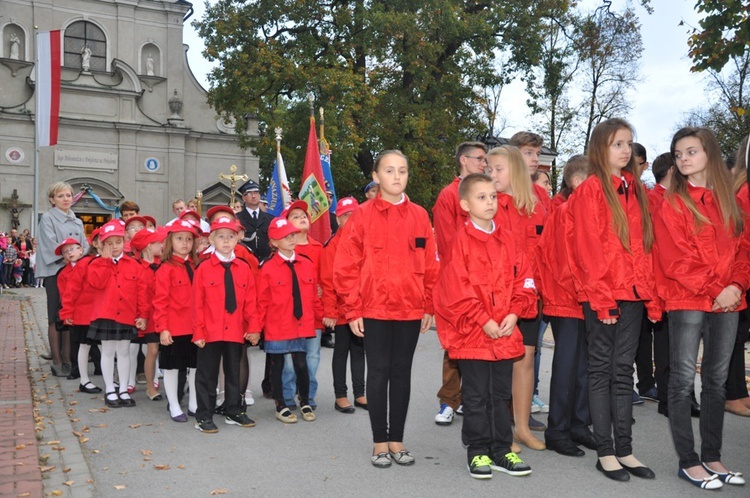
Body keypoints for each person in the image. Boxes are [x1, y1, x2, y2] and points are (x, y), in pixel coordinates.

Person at [653, 127, 748, 490]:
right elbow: (675, 260)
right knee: (680, 382)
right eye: (678, 154)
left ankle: (712, 457)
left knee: (717, 381)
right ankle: (688, 462)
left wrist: (736, 286)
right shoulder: (673, 203)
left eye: (690, 152)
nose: (683, 159)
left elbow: (744, 250)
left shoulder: (732, 202)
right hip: (688, 297)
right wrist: (716, 289)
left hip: (729, 299)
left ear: (709, 152)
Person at [565, 118, 659, 482]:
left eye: (629, 143)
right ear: (601, 148)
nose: (625, 150)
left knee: (623, 373)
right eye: (618, 143)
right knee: (601, 372)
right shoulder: (591, 189)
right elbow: (587, 248)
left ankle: (626, 449)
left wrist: (650, 296)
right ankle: (605, 451)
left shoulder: (635, 188)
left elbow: (644, 248)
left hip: (633, 294)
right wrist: (602, 299)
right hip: (603, 295)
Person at [334, 150, 439, 468]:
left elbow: (431, 263)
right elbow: (345, 266)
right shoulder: (362, 217)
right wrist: (353, 309)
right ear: (376, 177)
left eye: (403, 170)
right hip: (374, 309)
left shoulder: (420, 215)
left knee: (401, 373)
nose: (397, 176)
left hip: (409, 308)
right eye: (390, 170)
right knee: (378, 374)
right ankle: (380, 443)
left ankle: (398, 440)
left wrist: (428, 304)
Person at [435, 173, 536, 479]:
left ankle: (501, 448)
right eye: (481, 197)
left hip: (504, 332)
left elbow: (526, 280)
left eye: (492, 196)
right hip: (472, 335)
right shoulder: (459, 243)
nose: (490, 202)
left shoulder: (509, 239)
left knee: (500, 394)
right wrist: (483, 320)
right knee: (476, 396)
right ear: (465, 204)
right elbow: (455, 290)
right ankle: (477, 451)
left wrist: (515, 313)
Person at [487, 145, 547, 449]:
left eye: (499, 169)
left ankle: (521, 427)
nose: (492, 174)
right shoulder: (488, 204)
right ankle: (498, 430)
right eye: (489, 169)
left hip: (528, 297)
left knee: (524, 360)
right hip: (496, 298)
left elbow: (544, 253)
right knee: (498, 364)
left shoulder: (536, 206)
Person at [536, 155, 597, 457]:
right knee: (566, 367)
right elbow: (564, 263)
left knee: (586, 367)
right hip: (567, 299)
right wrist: (586, 290)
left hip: (588, 299)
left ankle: (579, 424)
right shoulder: (563, 214)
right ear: (577, 183)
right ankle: (557, 429)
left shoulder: (589, 213)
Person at [431, 141, 488, 426]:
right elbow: (446, 241)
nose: (484, 163)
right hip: (459, 280)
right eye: (479, 159)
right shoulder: (448, 195)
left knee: (481, 343)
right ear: (463, 160)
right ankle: (449, 400)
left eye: (485, 159)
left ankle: (470, 398)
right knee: (456, 343)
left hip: (487, 282)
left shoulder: (488, 193)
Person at [192, 215, 260, 433]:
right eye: (220, 236)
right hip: (210, 330)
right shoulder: (203, 268)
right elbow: (197, 303)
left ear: (237, 239)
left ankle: (234, 410)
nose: (226, 241)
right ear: (211, 239)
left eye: (230, 236)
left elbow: (251, 301)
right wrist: (198, 331)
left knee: (233, 371)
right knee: (207, 374)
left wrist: (254, 328)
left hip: (236, 329)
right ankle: (204, 415)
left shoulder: (243, 268)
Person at [258, 217, 323, 423]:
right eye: (284, 236)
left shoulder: (306, 264)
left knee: (301, 365)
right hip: (277, 325)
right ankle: (281, 405)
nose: (290, 238)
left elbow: (313, 296)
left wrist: (321, 317)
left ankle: (304, 400)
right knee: (277, 366)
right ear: (274, 242)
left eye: (292, 234)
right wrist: (255, 328)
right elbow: (261, 301)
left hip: (301, 324)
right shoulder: (267, 268)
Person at [86, 221, 148, 408]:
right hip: (106, 314)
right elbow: (97, 283)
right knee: (108, 351)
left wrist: (143, 314)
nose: (114, 247)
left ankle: (123, 388)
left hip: (127, 315)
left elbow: (141, 291)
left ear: (124, 242)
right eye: (109, 243)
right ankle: (110, 389)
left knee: (124, 352)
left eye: (118, 242)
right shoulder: (96, 264)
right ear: (102, 244)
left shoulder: (133, 264)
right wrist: (105, 262)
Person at [37, 182, 89, 375]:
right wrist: (69, 256)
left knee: (69, 314)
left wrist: (82, 257)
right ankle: (57, 361)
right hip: (55, 270)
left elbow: (83, 243)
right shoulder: (48, 219)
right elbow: (50, 244)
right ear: (52, 199)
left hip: (74, 271)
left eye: (68, 195)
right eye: (61, 196)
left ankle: (68, 358)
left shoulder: (77, 220)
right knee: (54, 315)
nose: (66, 199)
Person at [321, 197, 367, 413]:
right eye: (346, 215)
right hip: (341, 310)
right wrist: (329, 311)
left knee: (359, 351)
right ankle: (340, 395)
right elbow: (328, 282)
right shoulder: (332, 245)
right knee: (341, 352)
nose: (351, 219)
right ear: (338, 219)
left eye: (354, 215)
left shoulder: (365, 241)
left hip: (362, 308)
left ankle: (360, 393)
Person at [277, 201, 324, 409]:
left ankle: (308, 395)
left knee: (312, 356)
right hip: (288, 315)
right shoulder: (282, 250)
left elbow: (326, 279)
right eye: (295, 216)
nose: (302, 217)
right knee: (288, 360)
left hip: (312, 312)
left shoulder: (318, 248)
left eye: (303, 215)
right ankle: (287, 396)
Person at [154, 220, 200, 423]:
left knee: (195, 366)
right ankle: (173, 404)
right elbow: (160, 301)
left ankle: (193, 404)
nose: (185, 243)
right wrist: (163, 329)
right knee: (172, 368)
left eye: (189, 239)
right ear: (170, 241)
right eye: (180, 238)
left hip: (195, 326)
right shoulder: (166, 268)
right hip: (174, 327)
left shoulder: (196, 266)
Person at [60, 230, 102, 393]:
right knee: (83, 345)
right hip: (83, 313)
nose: (69, 253)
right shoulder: (84, 264)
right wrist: (67, 313)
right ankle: (83, 379)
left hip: (102, 311)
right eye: (66, 251)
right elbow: (69, 292)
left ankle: (109, 379)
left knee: (106, 347)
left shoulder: (110, 262)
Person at [726, 135, 750, 417]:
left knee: (739, 333)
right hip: (741, 268)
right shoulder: (743, 190)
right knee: (735, 334)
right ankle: (731, 393)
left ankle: (738, 392)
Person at [131, 228, 167, 401]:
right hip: (150, 314)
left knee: (166, 349)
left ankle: (170, 382)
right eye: (158, 242)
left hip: (165, 312)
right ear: (147, 246)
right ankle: (150, 386)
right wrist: (142, 316)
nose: (162, 245)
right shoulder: (138, 268)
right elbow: (141, 296)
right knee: (152, 350)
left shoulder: (164, 264)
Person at [235, 180, 275, 261]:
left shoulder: (270, 219)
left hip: (267, 262)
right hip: (245, 262)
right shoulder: (237, 219)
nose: (254, 196)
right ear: (243, 197)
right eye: (249, 193)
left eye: (256, 192)